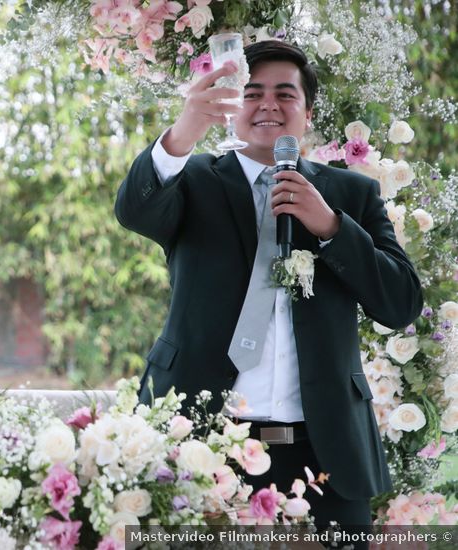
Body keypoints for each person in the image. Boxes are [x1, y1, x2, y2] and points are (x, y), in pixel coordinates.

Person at [115, 41, 422, 533]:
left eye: (285, 94)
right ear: (235, 105)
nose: (268, 105)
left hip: (325, 454)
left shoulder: (351, 194)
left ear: (308, 111)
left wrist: (331, 227)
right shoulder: (193, 179)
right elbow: (134, 210)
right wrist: (183, 132)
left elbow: (401, 303)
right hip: (202, 441)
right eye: (253, 93)